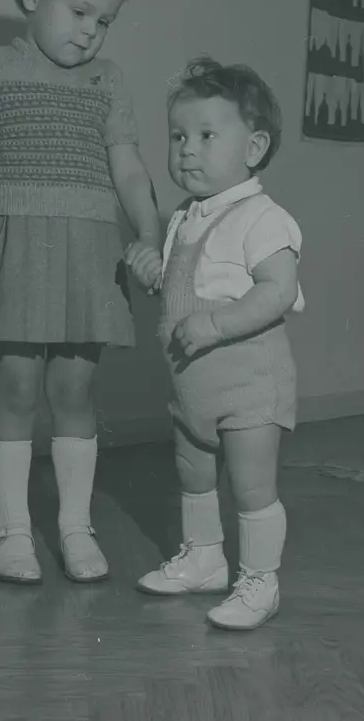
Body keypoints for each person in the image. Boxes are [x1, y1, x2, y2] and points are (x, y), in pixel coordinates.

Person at [0, 0, 161, 586]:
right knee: (15, 386)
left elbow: (129, 169)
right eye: (80, 11)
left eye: (105, 21)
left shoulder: (108, 82)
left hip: (88, 251)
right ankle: (12, 528)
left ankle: (74, 526)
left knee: (74, 389)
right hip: (15, 248)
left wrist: (151, 231)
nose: (91, 32)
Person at [126, 58, 304, 630]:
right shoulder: (185, 217)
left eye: (206, 136)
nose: (187, 150)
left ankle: (260, 581)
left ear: (254, 148)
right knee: (193, 471)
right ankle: (204, 558)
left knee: (252, 485)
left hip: (248, 383)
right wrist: (152, 273)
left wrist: (218, 325)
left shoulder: (262, 217)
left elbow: (278, 290)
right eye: (179, 136)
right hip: (192, 385)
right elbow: (186, 288)